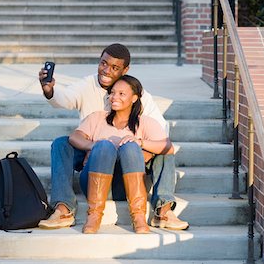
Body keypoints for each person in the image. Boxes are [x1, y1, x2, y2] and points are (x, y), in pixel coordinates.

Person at [38, 43, 188, 231]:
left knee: (162, 151)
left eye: (115, 67)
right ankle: (64, 208)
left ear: (125, 70)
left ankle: (164, 210)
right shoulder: (92, 100)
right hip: (94, 160)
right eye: (103, 64)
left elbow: (163, 138)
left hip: (129, 169)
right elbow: (65, 100)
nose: (107, 70)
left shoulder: (141, 103)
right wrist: (49, 91)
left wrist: (138, 151)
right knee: (62, 144)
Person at [69, 75, 172, 234]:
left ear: (134, 98)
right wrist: (93, 146)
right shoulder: (98, 117)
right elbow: (74, 137)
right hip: (93, 184)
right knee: (104, 145)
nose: (114, 97)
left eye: (121, 94)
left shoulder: (145, 122)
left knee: (130, 145)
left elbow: (168, 148)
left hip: (127, 187)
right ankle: (94, 215)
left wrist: (140, 143)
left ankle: (138, 217)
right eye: (112, 93)